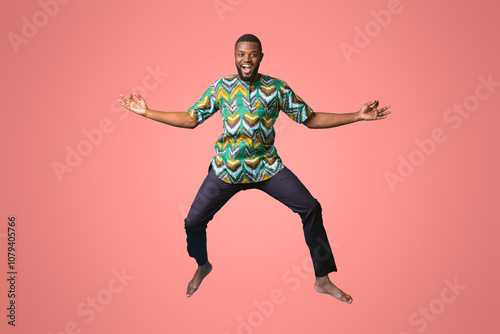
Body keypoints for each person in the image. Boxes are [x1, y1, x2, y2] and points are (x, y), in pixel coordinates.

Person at [119, 34, 391, 304]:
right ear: (234, 56)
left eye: (252, 54)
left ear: (261, 57)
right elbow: (192, 119)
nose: (246, 59)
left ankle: (322, 279)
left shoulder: (277, 88)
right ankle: (202, 265)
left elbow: (311, 118)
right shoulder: (221, 87)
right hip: (227, 169)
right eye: (241, 54)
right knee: (192, 222)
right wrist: (148, 112)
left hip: (267, 168)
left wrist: (357, 115)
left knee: (311, 207)